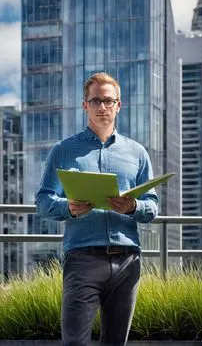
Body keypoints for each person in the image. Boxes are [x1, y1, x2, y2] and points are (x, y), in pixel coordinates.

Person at [36, 72, 158, 346]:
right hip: (82, 260)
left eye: (108, 101)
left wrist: (133, 206)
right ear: (85, 105)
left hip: (128, 261)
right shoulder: (64, 150)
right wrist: (69, 208)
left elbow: (152, 206)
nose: (102, 107)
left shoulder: (137, 153)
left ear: (118, 105)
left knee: (115, 343)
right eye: (95, 101)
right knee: (75, 342)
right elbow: (43, 202)